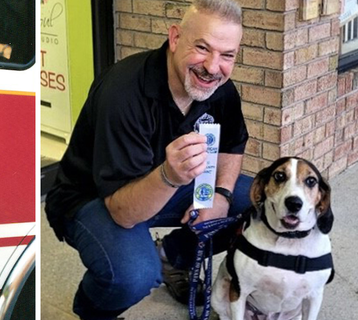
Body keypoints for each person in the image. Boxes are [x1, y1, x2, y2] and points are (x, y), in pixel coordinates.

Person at [45, 0, 252, 319]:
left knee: (257, 205)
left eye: (227, 55)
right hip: (94, 197)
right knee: (134, 275)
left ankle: (173, 256)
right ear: (174, 38)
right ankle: (92, 312)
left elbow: (232, 145)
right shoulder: (124, 90)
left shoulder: (218, 88)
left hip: (168, 184)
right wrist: (170, 175)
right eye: (202, 47)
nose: (213, 67)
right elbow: (123, 212)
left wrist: (221, 196)